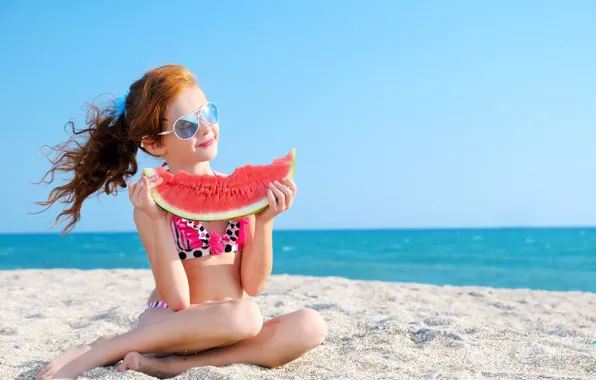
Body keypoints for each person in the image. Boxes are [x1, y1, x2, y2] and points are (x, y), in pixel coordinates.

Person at [35, 64, 327, 379]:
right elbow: (177, 299)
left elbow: (253, 286)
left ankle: (176, 368)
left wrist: (266, 221)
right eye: (186, 126)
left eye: (209, 113)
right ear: (154, 144)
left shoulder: (243, 195)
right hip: (170, 326)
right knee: (245, 317)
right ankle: (109, 346)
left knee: (309, 325)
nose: (205, 128)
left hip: (228, 329)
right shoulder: (152, 205)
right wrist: (158, 220)